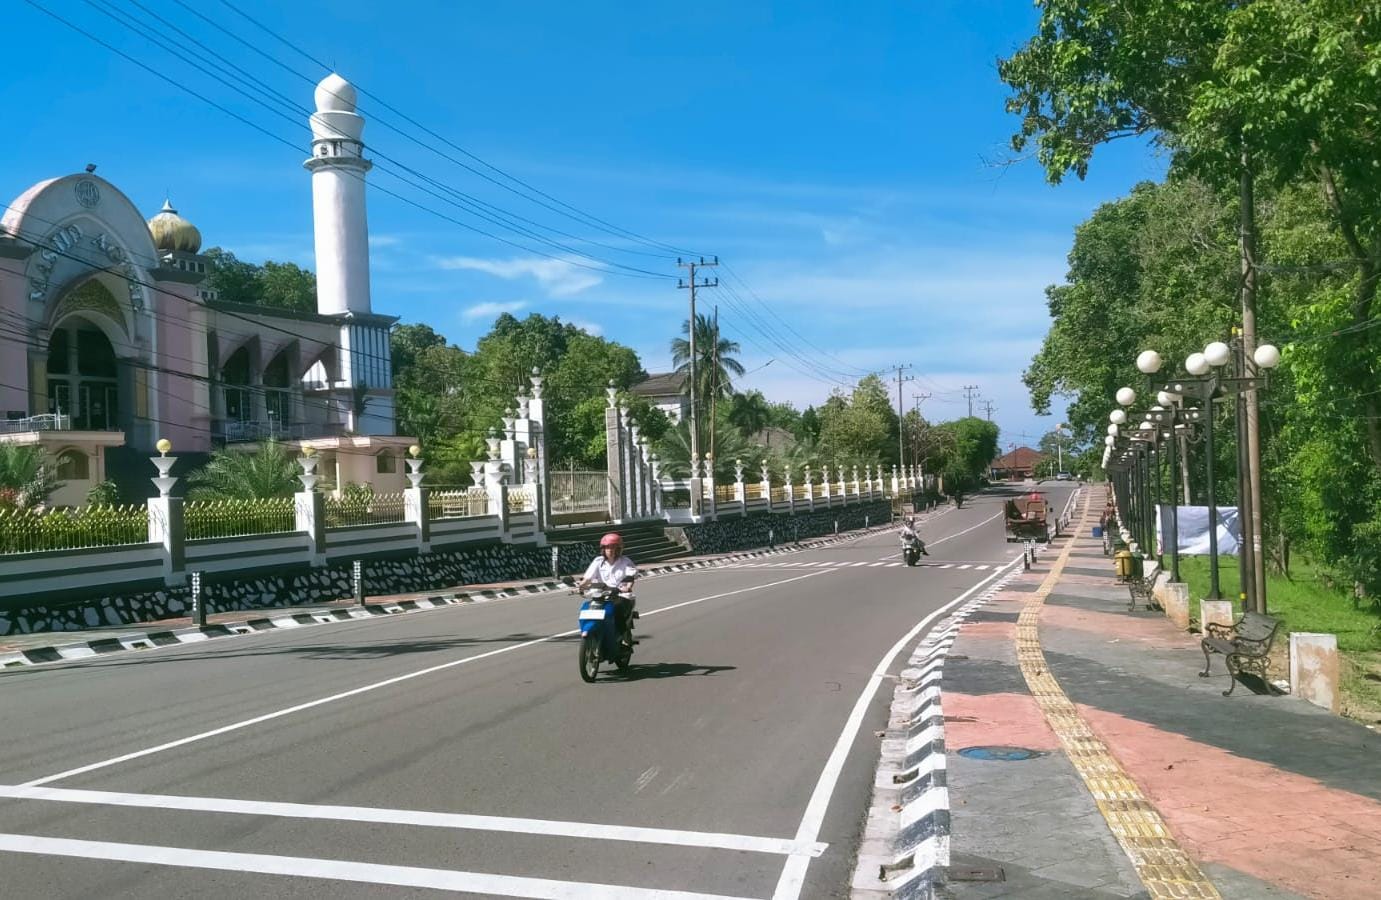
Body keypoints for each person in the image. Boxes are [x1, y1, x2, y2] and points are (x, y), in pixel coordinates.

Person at [578, 532, 638, 643]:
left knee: (617, 608)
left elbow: (630, 576)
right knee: (587, 606)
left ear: (619, 549)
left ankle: (622, 636)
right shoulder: (598, 561)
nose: (610, 550)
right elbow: (588, 578)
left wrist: (627, 587)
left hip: (620, 595)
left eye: (613, 547)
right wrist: (580, 586)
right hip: (600, 594)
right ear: (603, 549)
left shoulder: (626, 562)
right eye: (607, 547)